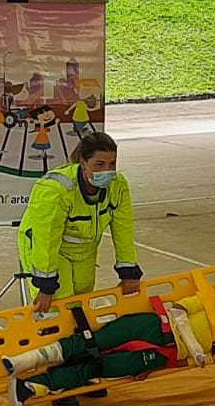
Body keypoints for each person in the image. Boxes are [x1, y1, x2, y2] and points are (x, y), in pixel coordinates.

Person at [2, 295, 215, 406]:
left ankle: (27, 388)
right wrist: (194, 346)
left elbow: (182, 365)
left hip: (158, 356)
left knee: (95, 368)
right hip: (152, 325)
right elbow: (177, 311)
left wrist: (153, 371)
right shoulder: (211, 301)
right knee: (89, 342)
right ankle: (23, 360)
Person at [17, 132, 142, 319]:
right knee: (58, 304)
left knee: (82, 296)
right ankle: (53, 342)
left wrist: (129, 272)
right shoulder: (56, 190)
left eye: (112, 164)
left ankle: (78, 340)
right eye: (99, 164)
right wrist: (45, 285)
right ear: (83, 162)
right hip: (49, 249)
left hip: (84, 248)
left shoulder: (118, 186)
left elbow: (123, 229)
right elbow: (46, 238)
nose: (107, 171)